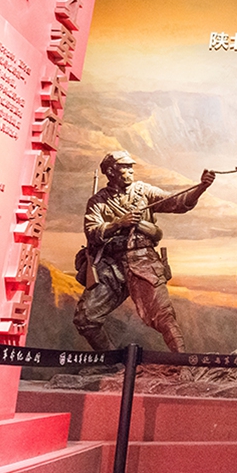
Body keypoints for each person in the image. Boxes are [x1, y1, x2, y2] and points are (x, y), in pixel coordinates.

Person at [73, 151, 215, 353]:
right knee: (86, 319)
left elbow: (177, 202)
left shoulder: (144, 191)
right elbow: (92, 232)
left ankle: (184, 362)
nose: (130, 171)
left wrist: (201, 187)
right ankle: (113, 362)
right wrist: (118, 224)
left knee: (163, 316)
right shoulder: (98, 201)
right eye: (125, 167)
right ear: (111, 171)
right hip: (111, 267)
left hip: (143, 260)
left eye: (131, 167)